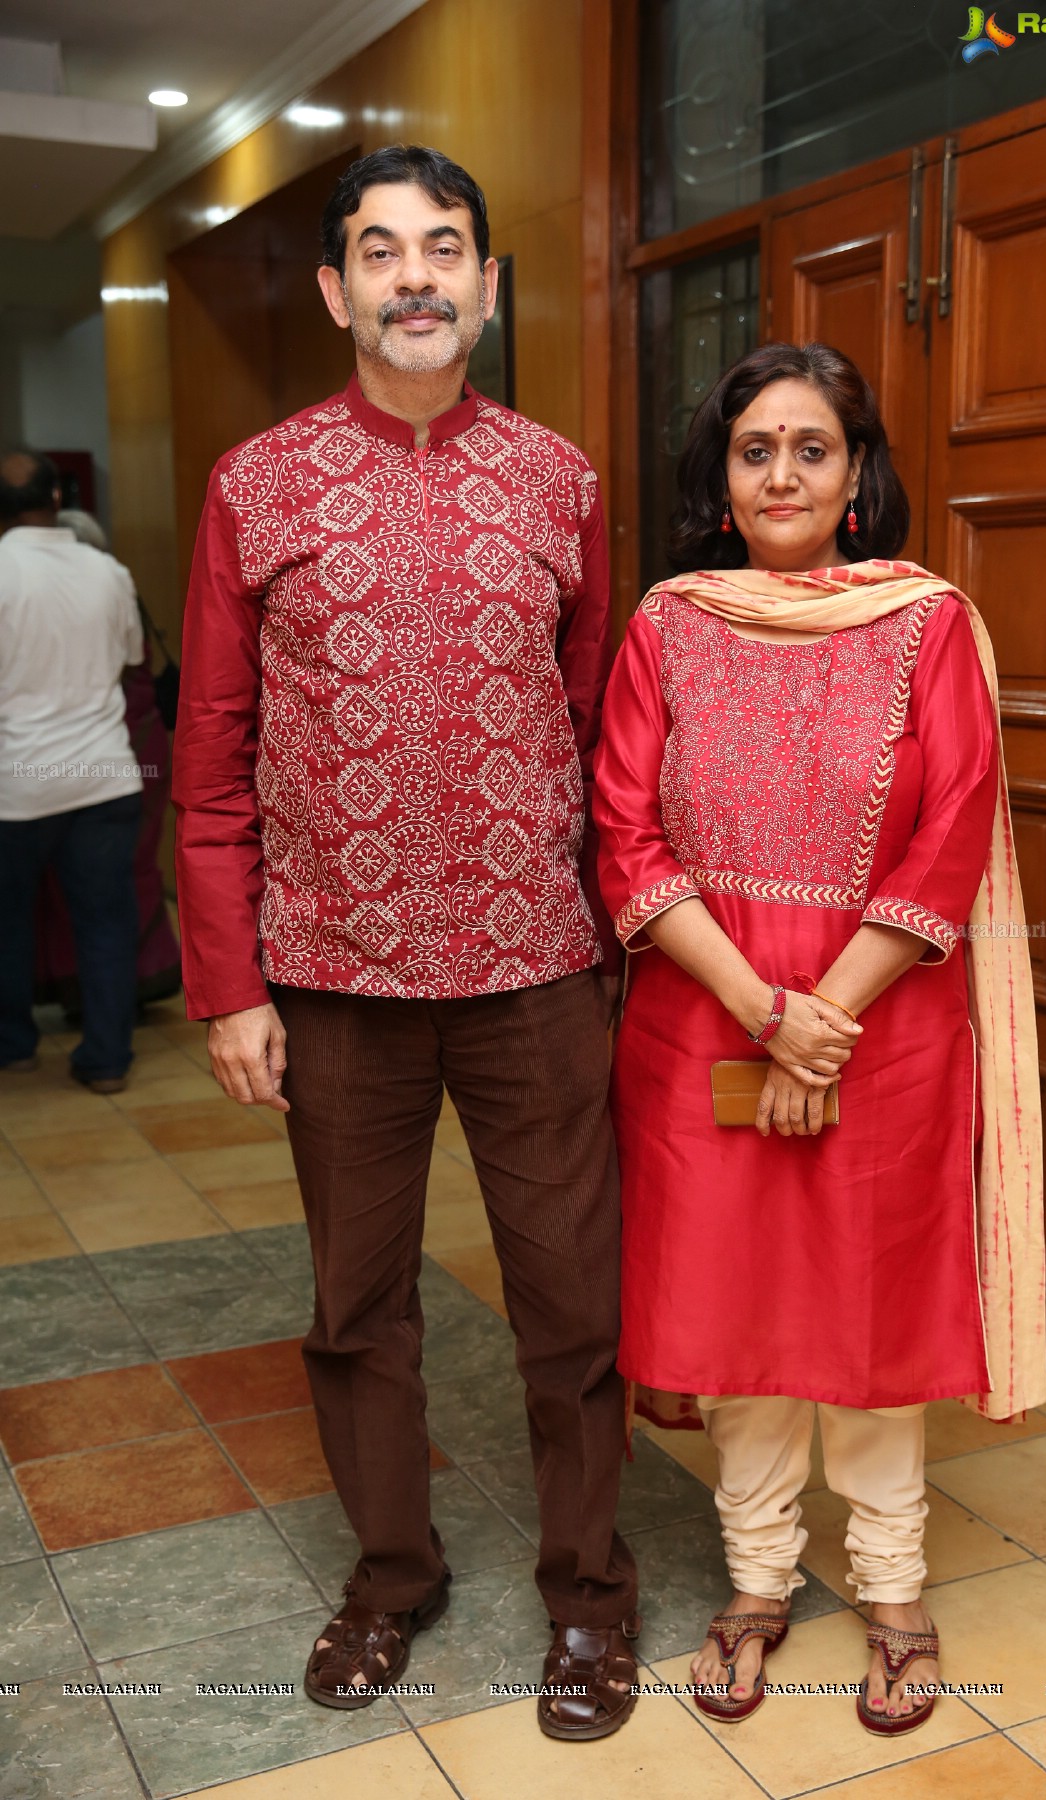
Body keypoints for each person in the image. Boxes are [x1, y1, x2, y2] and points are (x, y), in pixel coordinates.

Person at [172, 145, 639, 1739]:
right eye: (383, 253)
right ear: (337, 290)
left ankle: (590, 1593)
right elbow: (214, 751)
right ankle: (391, 1576)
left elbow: (593, 734)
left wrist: (607, 944)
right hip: (338, 983)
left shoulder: (562, 480)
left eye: (446, 248)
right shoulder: (259, 483)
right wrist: (228, 981)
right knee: (358, 1307)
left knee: (574, 1300)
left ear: (490, 284)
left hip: (533, 974)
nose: (417, 277)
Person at [593, 341, 1044, 1734]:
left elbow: (953, 824)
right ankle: (756, 1584)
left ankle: (894, 1590)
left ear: (858, 476)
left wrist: (823, 1016)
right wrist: (760, 1012)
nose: (781, 472)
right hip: (704, 1020)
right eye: (753, 448)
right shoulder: (669, 622)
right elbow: (623, 829)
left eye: (812, 447)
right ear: (720, 477)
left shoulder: (927, 621)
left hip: (885, 1027)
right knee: (735, 1319)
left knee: (867, 1308)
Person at [0, 450, 144, 1093]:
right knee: (107, 922)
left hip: (16, 779)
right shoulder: (108, 571)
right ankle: (107, 1058)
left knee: (8, 922)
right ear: (57, 498)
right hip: (103, 772)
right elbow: (127, 659)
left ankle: (14, 1046)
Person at [36, 510, 181, 1015]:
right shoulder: (114, 589)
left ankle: (105, 987)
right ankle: (117, 994)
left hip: (113, 754)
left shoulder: (92, 594)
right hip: (127, 754)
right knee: (119, 876)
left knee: (101, 879)